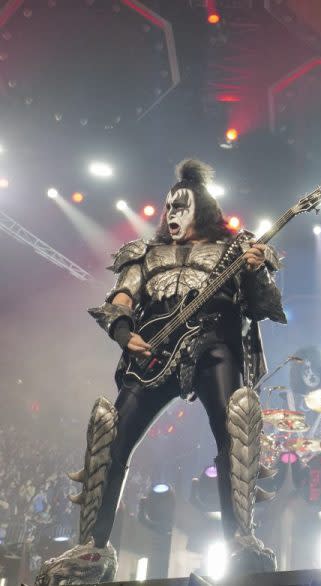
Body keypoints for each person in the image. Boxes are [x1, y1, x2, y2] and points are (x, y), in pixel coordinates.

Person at [36, 160, 285, 584]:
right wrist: (121, 331)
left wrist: (256, 268)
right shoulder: (145, 253)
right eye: (168, 207)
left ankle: (240, 540)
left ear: (201, 210)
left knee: (236, 426)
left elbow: (265, 307)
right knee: (109, 435)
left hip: (214, 346)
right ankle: (92, 550)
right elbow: (120, 297)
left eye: (181, 207)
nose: (171, 214)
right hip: (153, 353)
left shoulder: (237, 247)